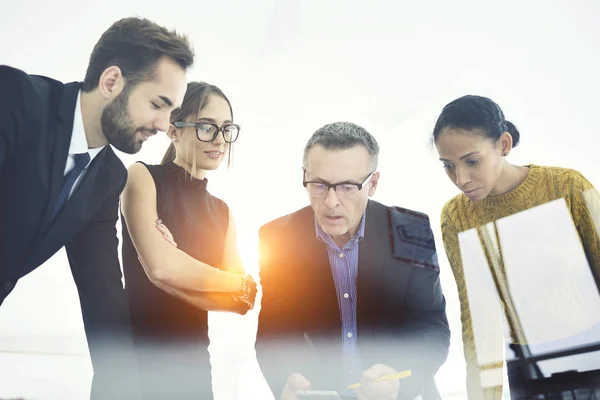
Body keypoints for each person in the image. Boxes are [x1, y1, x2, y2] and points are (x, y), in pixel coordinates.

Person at [0, 17, 193, 399]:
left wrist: (125, 389)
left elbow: (102, 291)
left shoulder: (107, 178)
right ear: (111, 82)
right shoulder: (14, 98)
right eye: (158, 104)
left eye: (172, 112)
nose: (163, 125)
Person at [256, 122, 451, 400]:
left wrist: (399, 380)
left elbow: (432, 326)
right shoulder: (278, 238)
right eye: (319, 185)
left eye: (348, 187)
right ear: (304, 177)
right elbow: (273, 332)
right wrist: (285, 382)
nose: (331, 202)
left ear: (372, 183)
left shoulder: (412, 230)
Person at [433, 95, 600, 399]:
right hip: (527, 365)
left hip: (592, 351)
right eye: (448, 165)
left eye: (472, 161)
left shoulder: (568, 187)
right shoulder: (456, 216)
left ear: (504, 144)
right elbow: (477, 315)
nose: (461, 179)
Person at [120, 81, 258, 399]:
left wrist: (178, 261)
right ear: (173, 129)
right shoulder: (141, 177)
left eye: (227, 129)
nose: (220, 140)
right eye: (207, 127)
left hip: (195, 370)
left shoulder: (222, 213)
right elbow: (162, 270)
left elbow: (241, 303)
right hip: (134, 364)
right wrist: (235, 283)